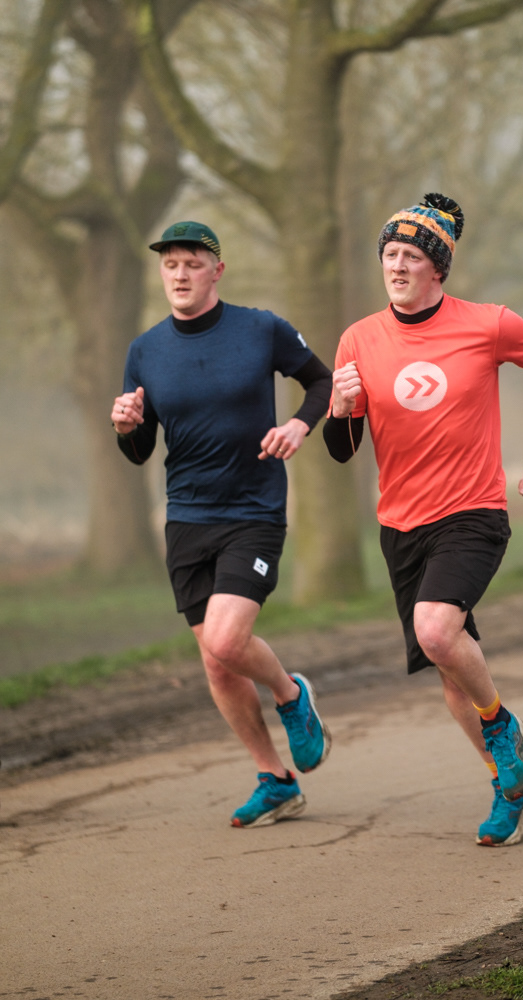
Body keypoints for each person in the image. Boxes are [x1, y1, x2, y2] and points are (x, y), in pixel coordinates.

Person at [323, 194, 523, 847]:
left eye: (410, 255)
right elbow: (342, 450)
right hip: (401, 524)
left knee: (436, 630)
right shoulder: (358, 339)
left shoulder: (487, 324)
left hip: (473, 510)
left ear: (437, 267)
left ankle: (502, 728)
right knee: (450, 665)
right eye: (389, 254)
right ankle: (511, 788)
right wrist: (340, 409)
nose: (396, 265)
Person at [112, 220, 333, 829]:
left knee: (226, 641)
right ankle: (275, 780)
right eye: (170, 265)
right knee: (215, 662)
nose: (180, 274)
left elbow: (320, 381)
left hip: (253, 511)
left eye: (192, 263)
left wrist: (299, 425)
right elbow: (139, 449)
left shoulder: (260, 329)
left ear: (217, 270)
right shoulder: (144, 351)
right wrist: (126, 428)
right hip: (186, 517)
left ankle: (291, 694)